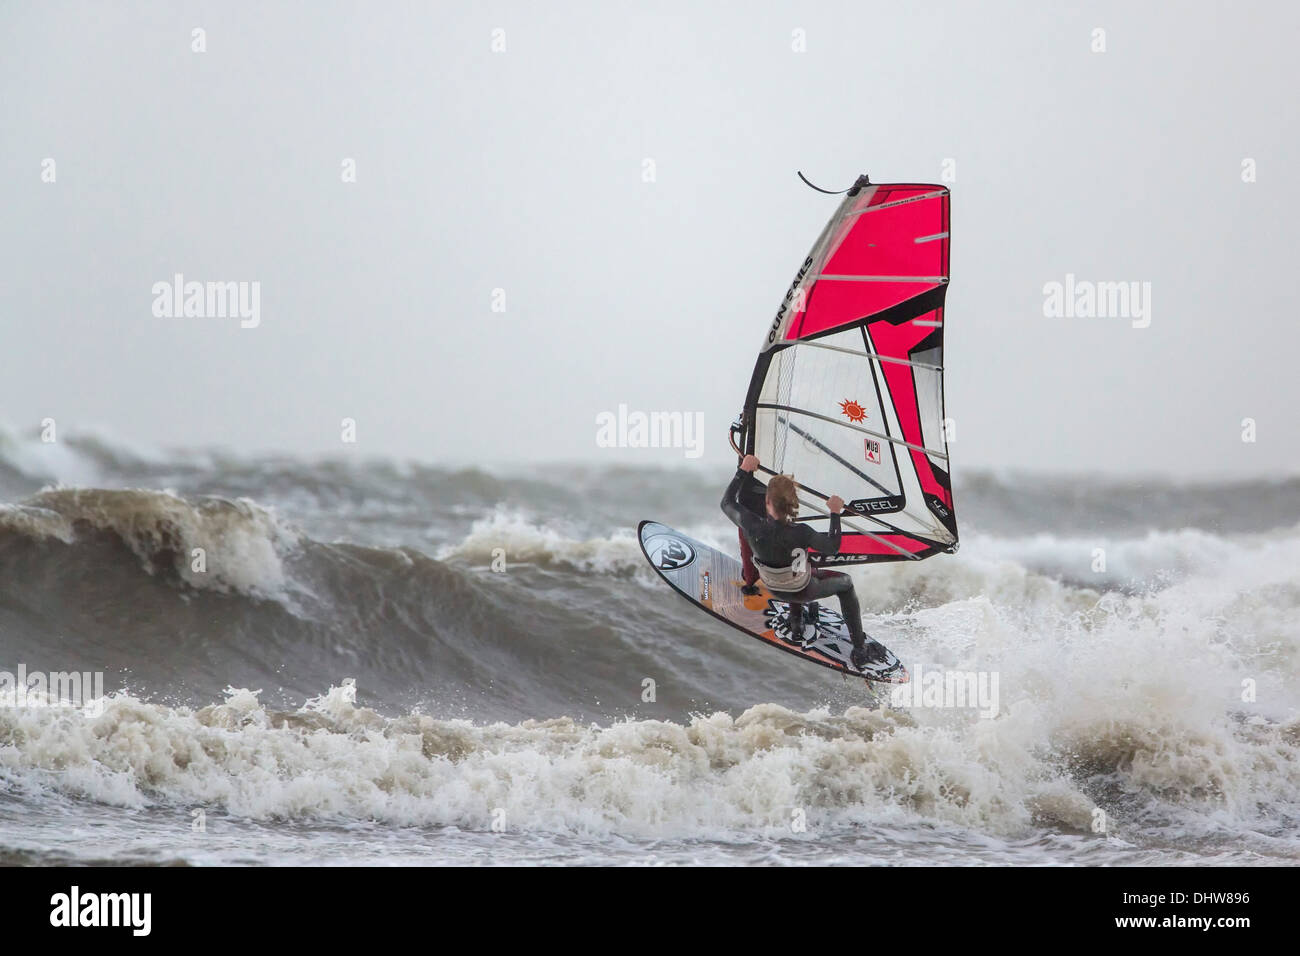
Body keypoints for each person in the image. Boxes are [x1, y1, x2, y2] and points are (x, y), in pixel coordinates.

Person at [720, 454, 885, 671]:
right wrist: (835, 514)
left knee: (793, 567)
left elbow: (727, 503)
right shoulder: (802, 533)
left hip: (772, 589)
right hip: (804, 590)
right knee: (845, 583)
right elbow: (832, 546)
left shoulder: (751, 525)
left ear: (767, 502)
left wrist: (743, 471)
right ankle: (860, 649)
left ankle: (796, 622)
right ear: (793, 504)